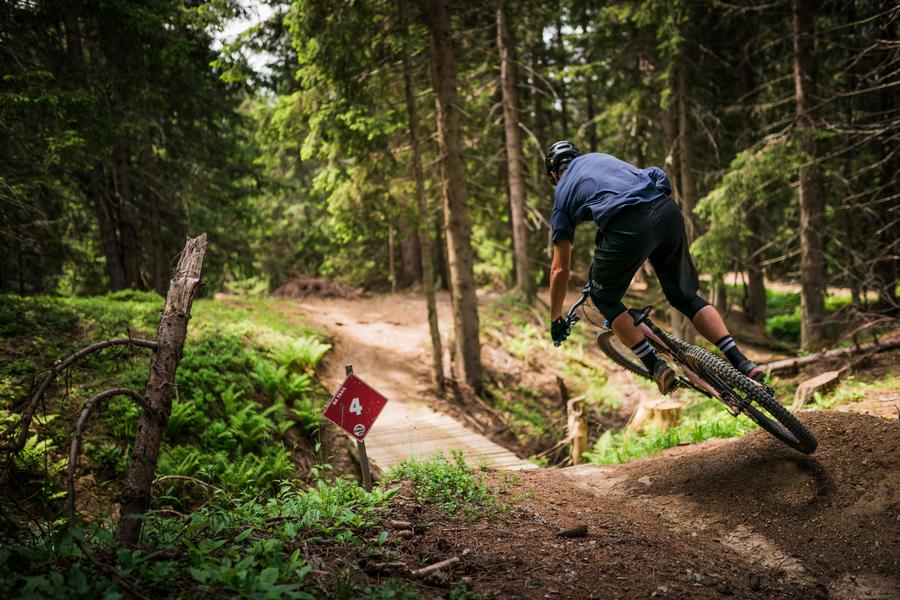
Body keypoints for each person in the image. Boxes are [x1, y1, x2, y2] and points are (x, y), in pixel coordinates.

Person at [545, 140, 763, 394]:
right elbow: (656, 174)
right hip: (665, 211)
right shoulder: (601, 159)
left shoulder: (562, 193)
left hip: (628, 227)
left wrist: (555, 318)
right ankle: (742, 362)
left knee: (603, 297)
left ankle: (656, 367)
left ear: (553, 174)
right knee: (685, 296)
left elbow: (559, 269)